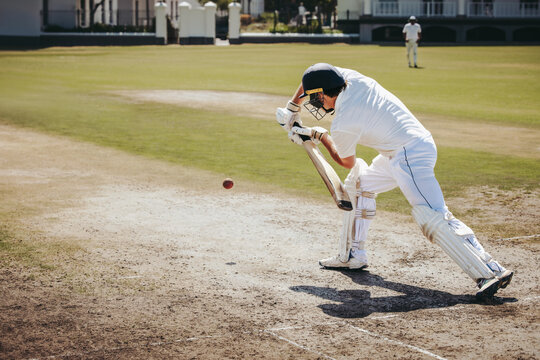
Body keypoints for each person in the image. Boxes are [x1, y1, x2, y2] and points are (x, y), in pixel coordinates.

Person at [276, 63, 513, 300]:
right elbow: (311, 74)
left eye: (315, 97)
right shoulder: (351, 79)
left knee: (432, 215)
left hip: (410, 154)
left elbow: (345, 161)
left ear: (324, 92)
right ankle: (352, 256)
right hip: (400, 149)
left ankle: (490, 271)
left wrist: (319, 135)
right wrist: (293, 106)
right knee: (360, 186)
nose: (315, 103)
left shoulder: (344, 121)